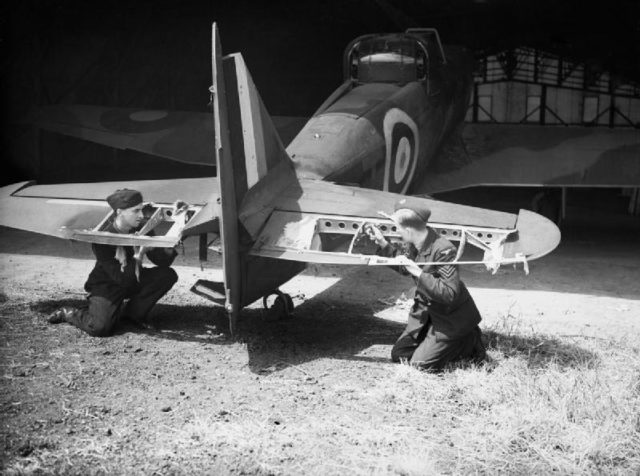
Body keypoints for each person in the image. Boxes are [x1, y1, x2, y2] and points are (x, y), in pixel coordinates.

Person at [365, 197, 486, 371]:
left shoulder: (444, 250)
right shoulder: (417, 241)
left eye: (397, 228)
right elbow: (404, 266)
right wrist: (383, 244)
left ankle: (468, 340)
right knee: (399, 355)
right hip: (426, 315)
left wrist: (416, 271)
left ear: (408, 230)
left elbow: (449, 293)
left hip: (449, 317)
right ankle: (432, 340)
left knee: (419, 365)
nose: (397, 232)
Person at [48, 189, 178, 337]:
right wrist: (140, 253)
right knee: (100, 328)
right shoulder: (103, 237)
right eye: (135, 211)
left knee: (166, 275)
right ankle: (70, 313)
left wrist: (171, 244)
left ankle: (132, 316)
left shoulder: (142, 227)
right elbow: (122, 279)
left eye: (141, 210)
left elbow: (162, 261)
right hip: (108, 284)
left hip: (133, 276)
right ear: (119, 212)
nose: (141, 215)